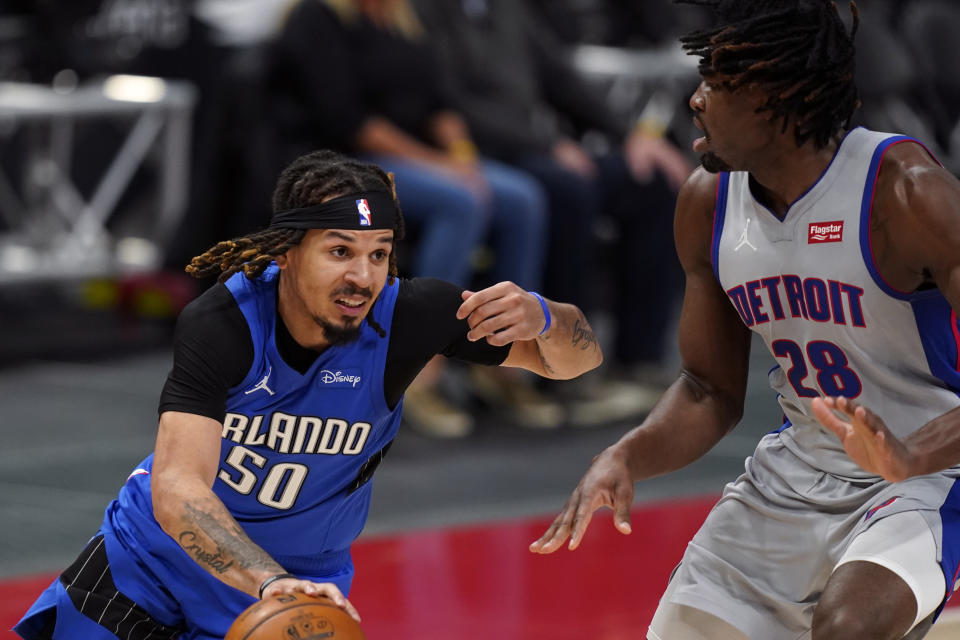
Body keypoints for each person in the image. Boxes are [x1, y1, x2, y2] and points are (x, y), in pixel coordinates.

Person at [14, 150, 602, 640]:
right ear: (287, 251)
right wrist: (263, 579)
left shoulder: (411, 315)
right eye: (340, 251)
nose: (364, 277)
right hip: (153, 566)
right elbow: (176, 487)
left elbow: (576, 362)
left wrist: (546, 316)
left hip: (302, 583)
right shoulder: (225, 320)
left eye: (379, 254)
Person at [531, 2, 960, 639]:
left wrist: (907, 455)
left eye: (720, 84)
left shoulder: (906, 192)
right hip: (794, 475)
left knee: (849, 626)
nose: (696, 100)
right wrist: (626, 454)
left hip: (929, 473)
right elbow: (710, 389)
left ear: (778, 97)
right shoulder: (707, 204)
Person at [267, 0, 557, 436]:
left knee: (522, 198)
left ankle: (501, 361)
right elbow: (351, 121)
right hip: (346, 162)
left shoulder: (404, 19)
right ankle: (421, 365)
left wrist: (462, 158)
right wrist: (442, 166)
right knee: (461, 202)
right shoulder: (319, 19)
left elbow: (438, 103)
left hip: (417, 158)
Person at [413, 0, 692, 423]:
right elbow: (445, 105)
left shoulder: (508, 10)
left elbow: (560, 78)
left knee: (648, 182)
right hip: (477, 155)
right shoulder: (424, 13)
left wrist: (630, 137)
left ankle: (639, 361)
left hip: (536, 150)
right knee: (568, 191)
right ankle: (562, 368)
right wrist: (544, 145)